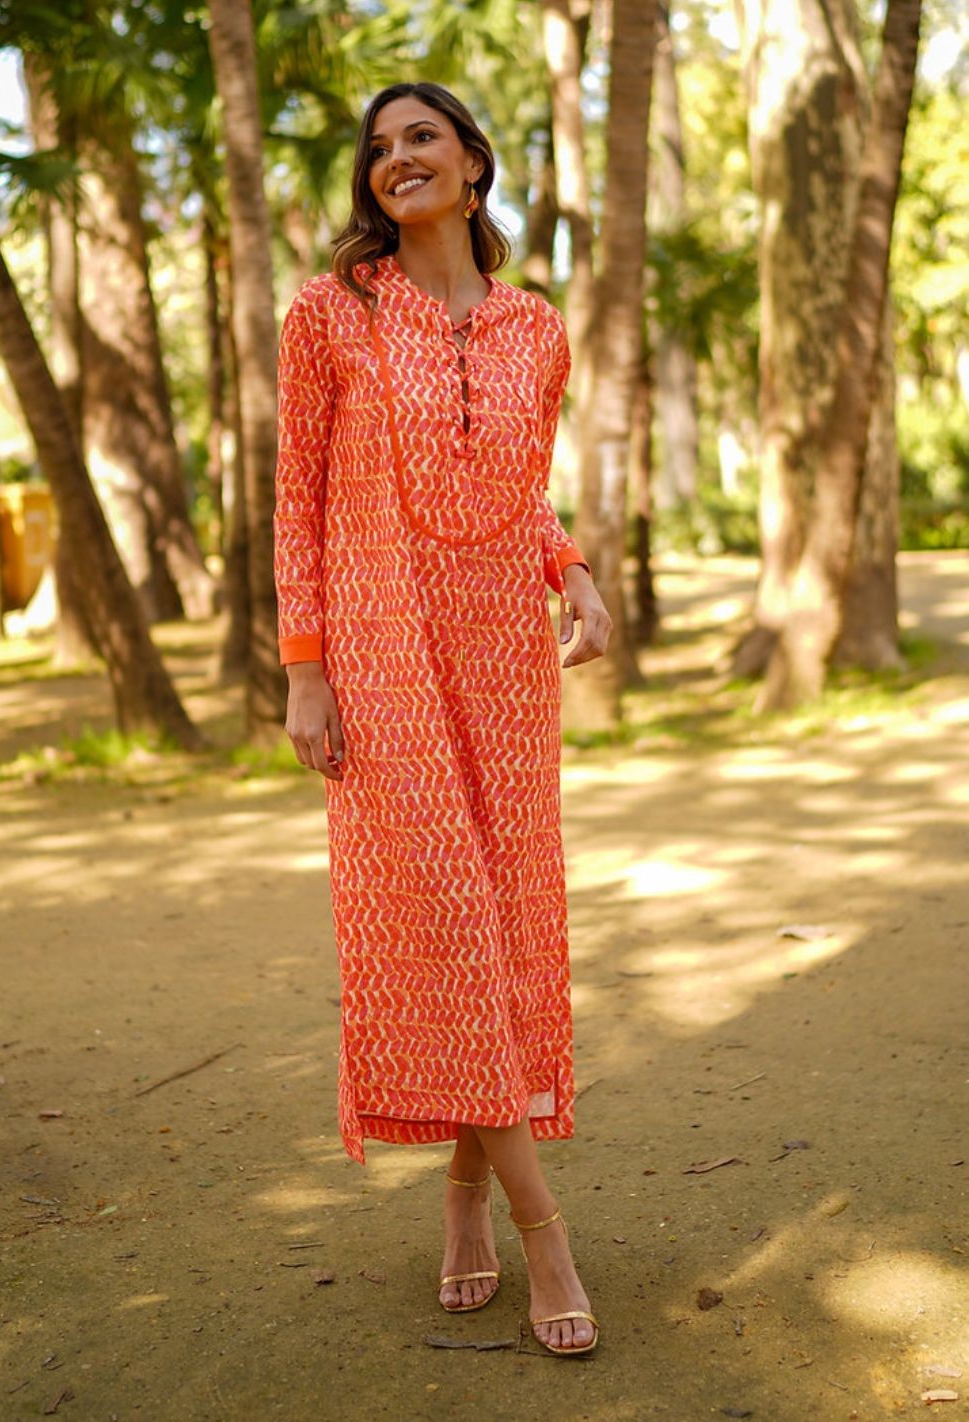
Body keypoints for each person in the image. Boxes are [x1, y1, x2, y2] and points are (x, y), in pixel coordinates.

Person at [273, 81, 612, 1356]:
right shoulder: (331, 313)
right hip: (381, 655)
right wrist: (305, 668)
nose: (394, 159)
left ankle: (465, 1194)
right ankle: (541, 1228)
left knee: (504, 922)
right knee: (447, 924)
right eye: (376, 148)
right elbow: (297, 497)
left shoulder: (536, 329)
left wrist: (570, 567)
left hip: (502, 661)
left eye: (419, 137)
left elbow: (514, 492)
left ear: (472, 161)